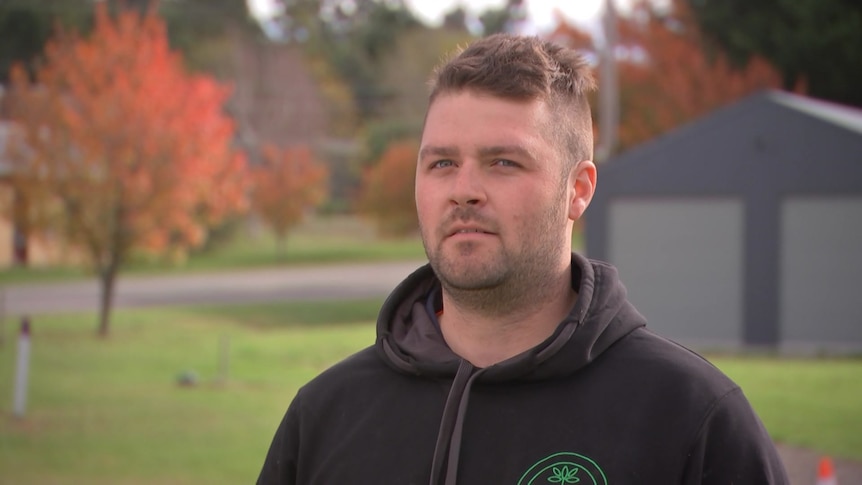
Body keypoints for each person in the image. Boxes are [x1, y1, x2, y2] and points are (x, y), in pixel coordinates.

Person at [257, 33, 789, 484]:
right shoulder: (327, 414)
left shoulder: (689, 416)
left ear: (578, 190)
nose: (463, 190)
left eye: (503, 163)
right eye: (442, 162)